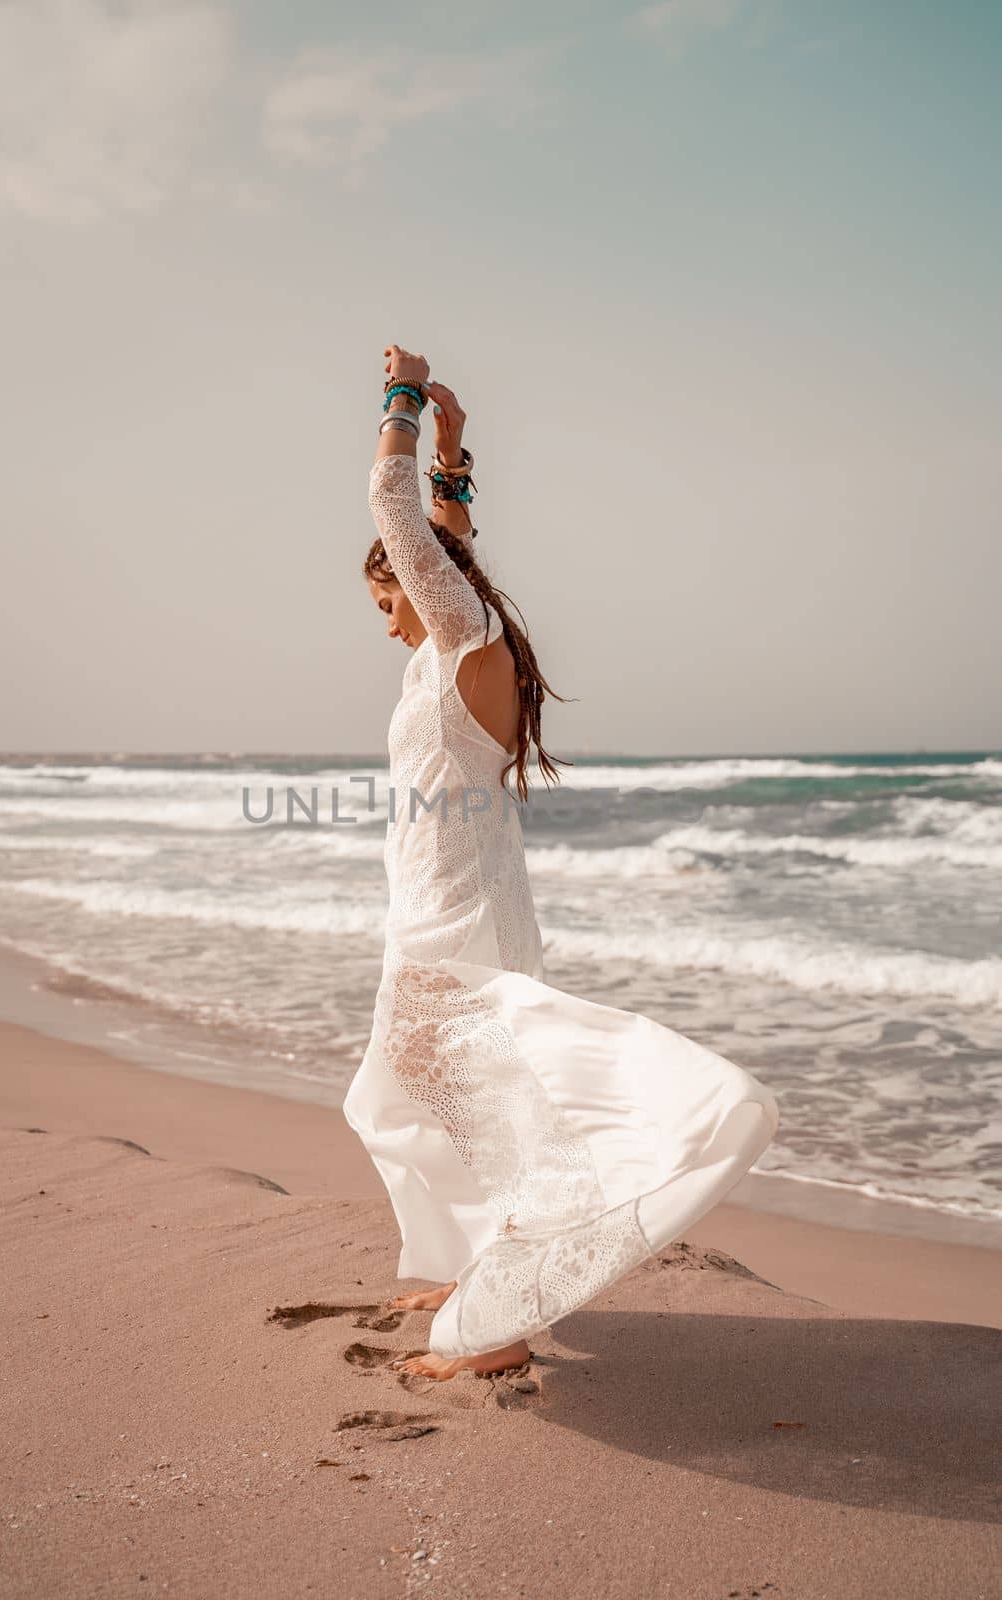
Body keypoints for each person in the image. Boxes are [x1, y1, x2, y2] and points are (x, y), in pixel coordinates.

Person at [342, 345, 780, 1382]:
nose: (389, 616)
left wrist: (399, 402)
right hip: (443, 904)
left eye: (390, 599)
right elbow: (440, 541)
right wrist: (457, 463)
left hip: (456, 919)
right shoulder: (446, 648)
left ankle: (498, 1328)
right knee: (407, 1096)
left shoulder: (462, 642)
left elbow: (392, 515)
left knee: (483, 1112)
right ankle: (475, 1271)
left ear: (428, 592)